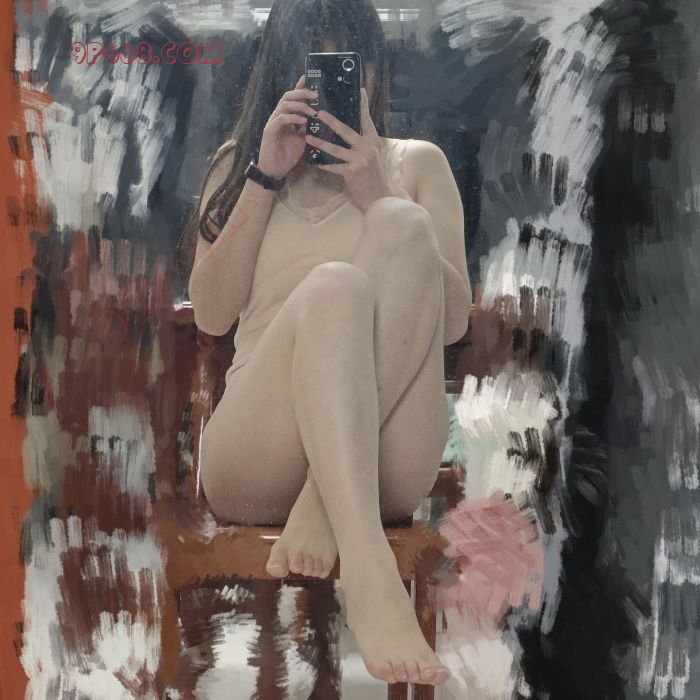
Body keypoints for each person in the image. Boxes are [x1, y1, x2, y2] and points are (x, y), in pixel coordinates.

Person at [181, 0, 472, 687]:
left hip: (386, 452)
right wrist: (263, 175)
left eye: (345, 66)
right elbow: (212, 317)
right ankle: (369, 569)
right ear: (281, 76)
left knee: (404, 225)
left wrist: (377, 190)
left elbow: (453, 322)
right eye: (310, 69)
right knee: (335, 287)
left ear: (370, 73)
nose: (328, 89)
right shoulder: (239, 167)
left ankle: (327, 496)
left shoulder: (416, 165)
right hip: (259, 450)